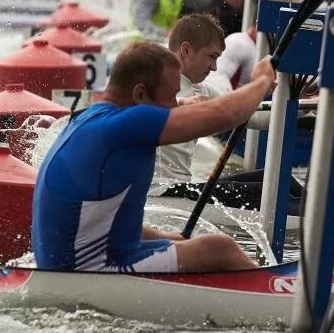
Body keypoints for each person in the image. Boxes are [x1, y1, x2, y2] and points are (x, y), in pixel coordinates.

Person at [32, 41, 276, 273]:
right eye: (171, 96)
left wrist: (165, 239)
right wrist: (263, 80)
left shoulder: (87, 118)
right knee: (220, 249)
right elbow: (227, 114)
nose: (175, 104)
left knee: (184, 240)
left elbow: (103, 221)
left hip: (66, 261)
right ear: (140, 93)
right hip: (91, 269)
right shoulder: (127, 126)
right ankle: (277, 297)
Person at [154, 14, 230, 184]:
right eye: (212, 56)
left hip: (182, 186)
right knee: (261, 191)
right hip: (158, 190)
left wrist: (296, 106)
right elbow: (128, 112)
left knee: (269, 181)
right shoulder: (151, 80)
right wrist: (181, 104)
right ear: (186, 50)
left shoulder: (203, 90)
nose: (215, 67)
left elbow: (250, 117)